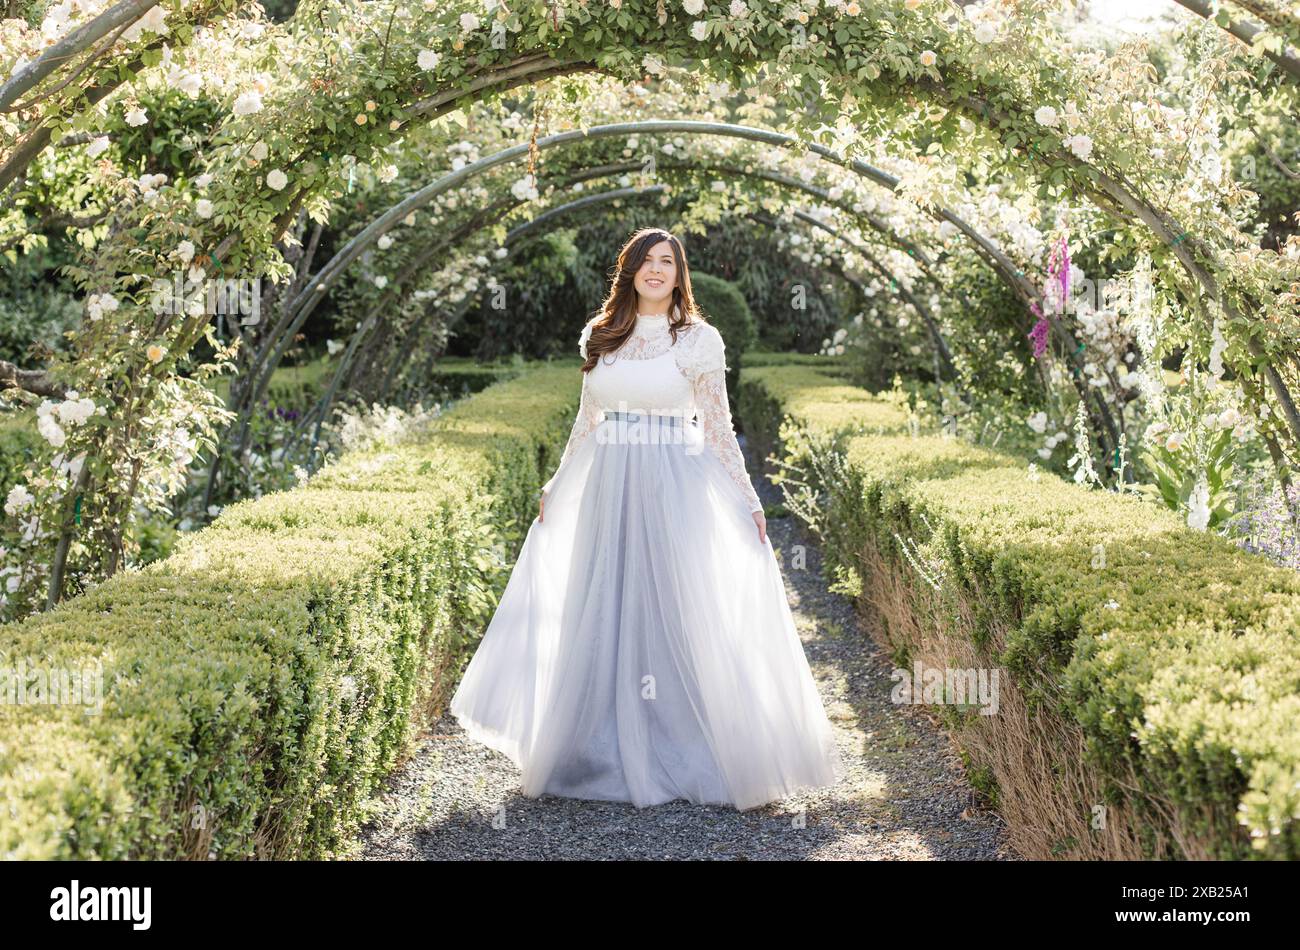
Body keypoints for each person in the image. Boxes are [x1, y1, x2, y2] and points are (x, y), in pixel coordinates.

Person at [449, 226, 845, 811]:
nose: (657, 270)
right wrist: (557, 483)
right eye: (647, 261)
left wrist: (749, 499)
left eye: (668, 262)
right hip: (606, 484)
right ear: (630, 269)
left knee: (676, 605)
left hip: (674, 484)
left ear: (679, 274)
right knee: (603, 602)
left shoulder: (699, 340)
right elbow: (586, 421)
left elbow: (718, 428)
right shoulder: (601, 334)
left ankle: (685, 743)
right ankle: (593, 743)